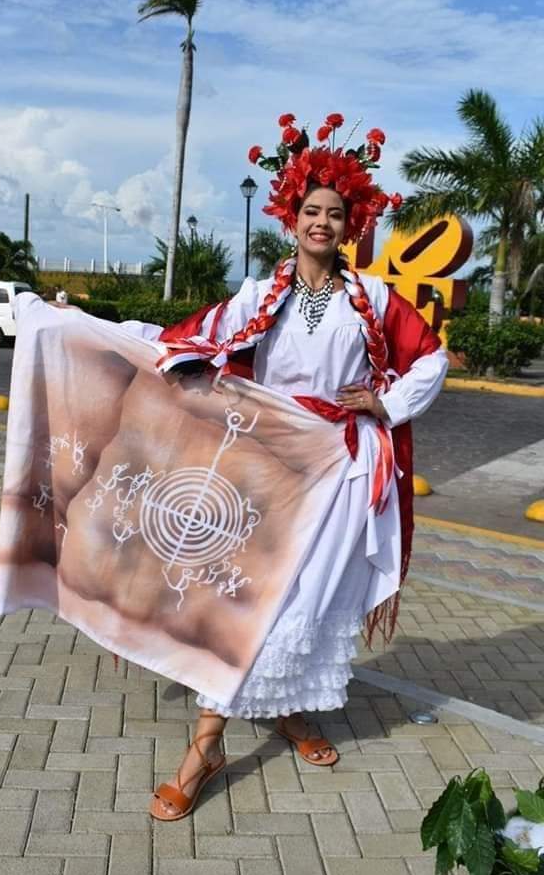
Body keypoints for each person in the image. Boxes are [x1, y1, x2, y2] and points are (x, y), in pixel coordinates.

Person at [121, 112, 449, 822]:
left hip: (338, 471)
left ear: (350, 223)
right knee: (247, 599)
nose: (322, 223)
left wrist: (385, 402)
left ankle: (286, 714)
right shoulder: (257, 296)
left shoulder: (374, 299)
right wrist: (93, 331)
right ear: (291, 217)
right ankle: (206, 747)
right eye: (311, 211)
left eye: (335, 213)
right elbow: (187, 340)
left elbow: (432, 359)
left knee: (308, 602)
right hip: (264, 465)